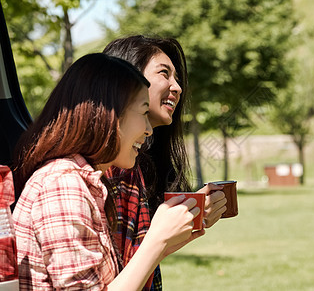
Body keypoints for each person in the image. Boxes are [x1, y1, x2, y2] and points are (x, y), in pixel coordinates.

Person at [12, 53, 203, 290]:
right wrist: (157, 239)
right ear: (110, 114)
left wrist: (167, 239)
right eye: (144, 112)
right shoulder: (63, 185)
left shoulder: (84, 181)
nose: (148, 130)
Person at [102, 36, 227, 290]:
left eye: (177, 79)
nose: (178, 88)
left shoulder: (134, 166)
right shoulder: (101, 169)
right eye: (164, 73)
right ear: (127, 76)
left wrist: (195, 215)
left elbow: (133, 261)